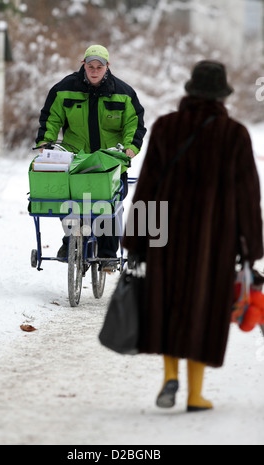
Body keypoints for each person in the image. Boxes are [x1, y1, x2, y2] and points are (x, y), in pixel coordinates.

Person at [123, 60, 263, 412]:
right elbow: (248, 196)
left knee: (168, 304)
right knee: (204, 310)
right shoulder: (235, 134)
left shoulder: (165, 127)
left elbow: (148, 187)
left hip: (164, 235)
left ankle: (169, 377)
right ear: (222, 95)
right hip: (214, 241)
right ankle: (195, 394)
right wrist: (251, 247)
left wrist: (137, 241)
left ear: (189, 91)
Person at [36, 45, 146, 267]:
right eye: (90, 66)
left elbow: (133, 124)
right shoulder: (64, 89)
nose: (94, 71)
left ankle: (107, 253)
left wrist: (130, 147)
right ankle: (71, 241)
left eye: (99, 66)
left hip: (110, 160)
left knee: (109, 204)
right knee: (67, 202)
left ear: (107, 67)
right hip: (75, 159)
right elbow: (51, 117)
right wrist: (45, 142)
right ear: (83, 65)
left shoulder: (123, 93)